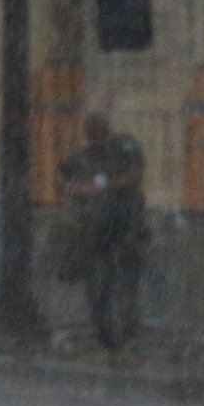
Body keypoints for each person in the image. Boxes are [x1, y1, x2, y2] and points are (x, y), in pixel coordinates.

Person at [58, 112, 150, 355]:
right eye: (90, 131)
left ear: (107, 128)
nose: (94, 136)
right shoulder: (82, 156)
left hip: (126, 224)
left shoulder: (123, 148)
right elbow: (63, 179)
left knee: (126, 279)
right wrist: (73, 190)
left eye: (98, 130)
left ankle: (127, 330)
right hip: (96, 228)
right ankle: (106, 332)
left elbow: (133, 177)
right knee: (98, 283)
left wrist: (99, 186)